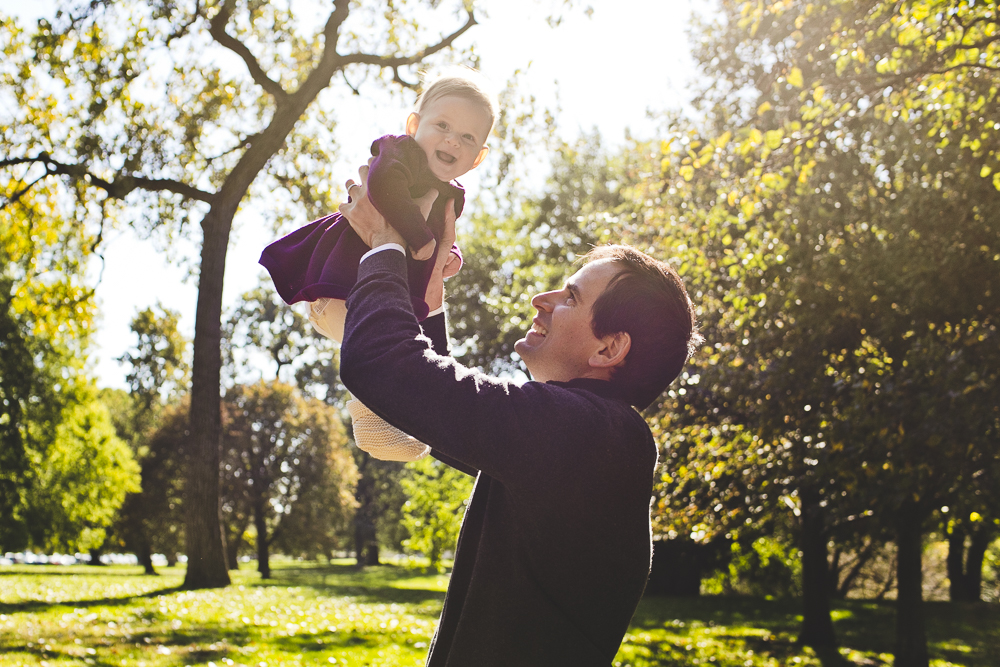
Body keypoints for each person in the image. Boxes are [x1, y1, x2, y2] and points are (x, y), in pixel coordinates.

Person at [336, 163, 702, 666]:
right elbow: (430, 414)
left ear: (610, 348)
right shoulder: (582, 438)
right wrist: (429, 292)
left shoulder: (589, 434)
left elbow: (383, 364)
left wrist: (384, 242)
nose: (542, 300)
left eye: (570, 297)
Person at [260, 69, 497, 460]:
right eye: (443, 125)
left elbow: (434, 242)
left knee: (410, 353)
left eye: (468, 137)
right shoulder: (399, 153)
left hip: (374, 301)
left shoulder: (452, 195)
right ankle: (375, 408)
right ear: (414, 125)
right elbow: (383, 186)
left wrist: (444, 257)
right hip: (338, 289)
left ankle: (397, 419)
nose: (453, 139)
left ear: (477, 157)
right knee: (385, 350)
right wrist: (420, 241)